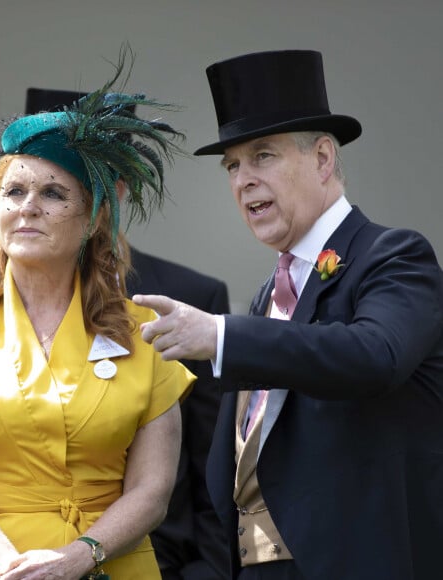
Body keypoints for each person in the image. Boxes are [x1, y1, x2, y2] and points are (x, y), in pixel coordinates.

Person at [133, 49, 443, 580]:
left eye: (263, 156)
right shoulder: (266, 297)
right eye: (232, 165)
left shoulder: (394, 256)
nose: (243, 179)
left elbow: (375, 356)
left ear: (324, 158)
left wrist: (220, 334)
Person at [0, 56, 196, 580]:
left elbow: (152, 492)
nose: (27, 207)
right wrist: (13, 568)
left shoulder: (142, 331)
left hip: (106, 566)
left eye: (52, 193)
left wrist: (77, 558)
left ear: (96, 218)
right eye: (14, 192)